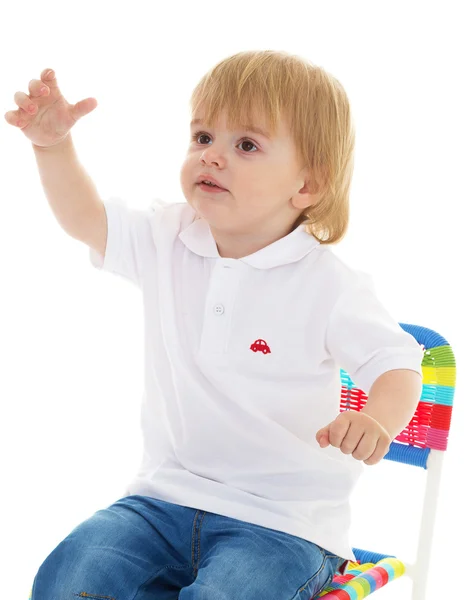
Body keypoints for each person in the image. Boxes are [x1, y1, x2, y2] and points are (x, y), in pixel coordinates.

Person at [6, 50, 424, 600]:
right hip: (161, 502)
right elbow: (86, 219)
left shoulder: (329, 285)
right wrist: (52, 146)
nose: (213, 157)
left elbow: (398, 363)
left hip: (284, 524)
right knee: (70, 576)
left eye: (245, 145)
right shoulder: (167, 237)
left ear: (306, 187)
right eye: (202, 137)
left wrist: (378, 419)